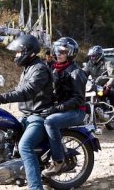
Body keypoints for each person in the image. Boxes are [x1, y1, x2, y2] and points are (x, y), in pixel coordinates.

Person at [0, 34, 54, 190]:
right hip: (27, 115)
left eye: (18, 52)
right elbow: (18, 90)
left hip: (38, 116)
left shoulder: (40, 69)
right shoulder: (28, 69)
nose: (16, 55)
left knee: (24, 146)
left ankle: (36, 187)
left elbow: (28, 92)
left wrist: (1, 98)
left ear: (28, 52)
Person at [40, 37, 87, 177]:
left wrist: (56, 108)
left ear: (70, 53)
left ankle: (59, 162)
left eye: (63, 51)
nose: (58, 54)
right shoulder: (56, 69)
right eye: (57, 51)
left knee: (50, 122)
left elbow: (78, 99)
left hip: (76, 111)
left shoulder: (76, 73)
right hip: (63, 109)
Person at [83, 45, 114, 121]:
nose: (92, 58)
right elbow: (84, 73)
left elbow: (113, 76)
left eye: (94, 56)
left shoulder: (108, 63)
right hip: (95, 85)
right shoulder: (90, 63)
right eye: (91, 56)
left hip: (106, 85)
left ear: (99, 55)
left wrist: (108, 85)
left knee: (112, 92)